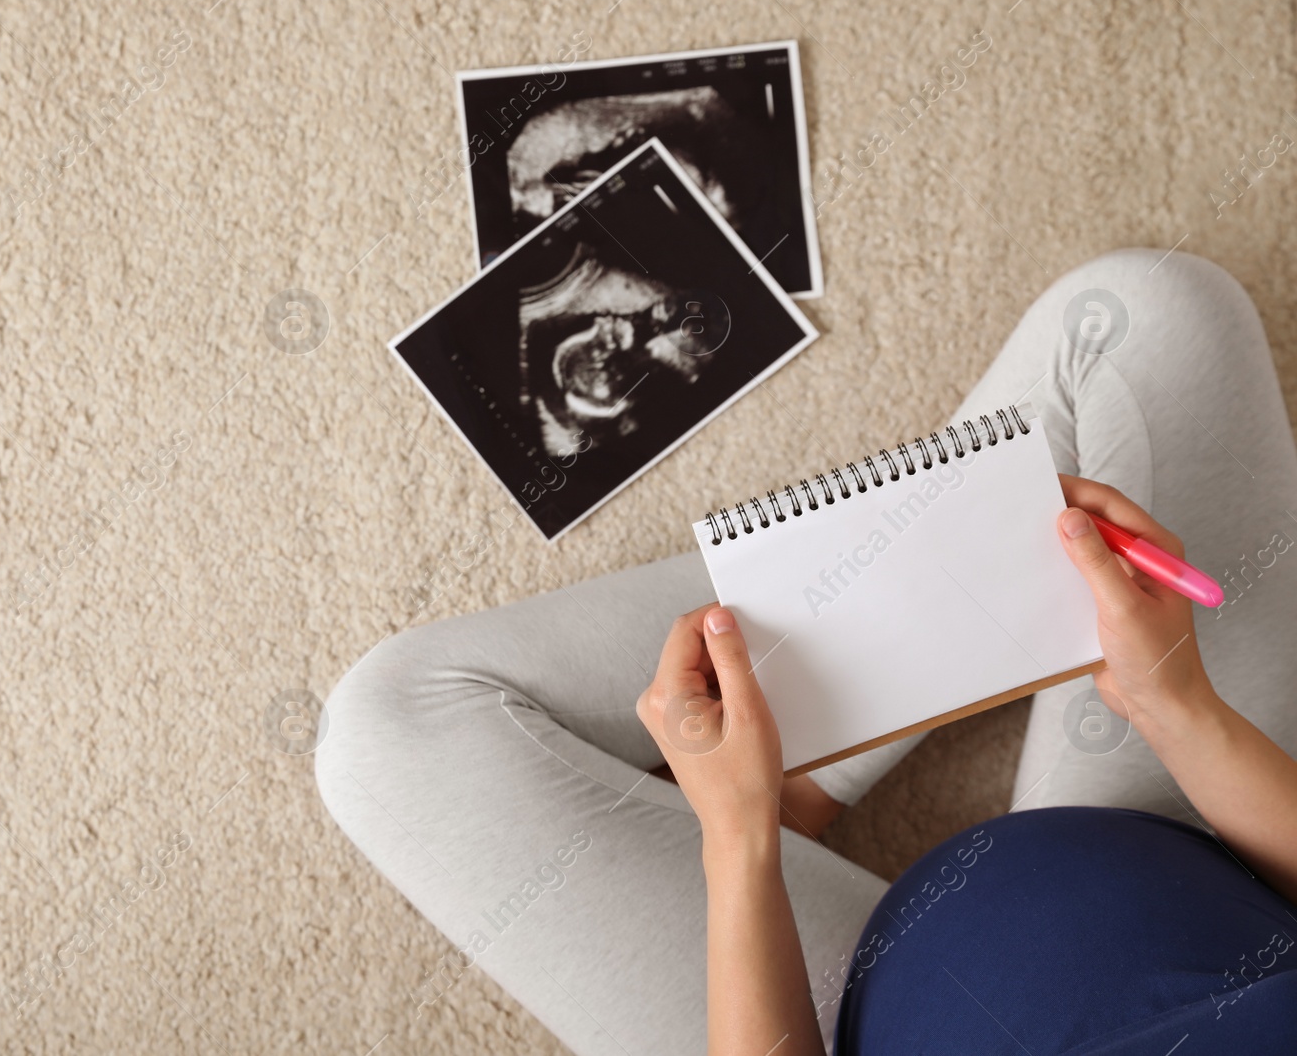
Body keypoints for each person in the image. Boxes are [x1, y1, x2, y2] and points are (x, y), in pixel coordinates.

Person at [315, 249, 1297, 1053]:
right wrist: (1178, 705)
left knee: (395, 727)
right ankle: (818, 765)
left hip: (824, 1016)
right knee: (1148, 312)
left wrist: (737, 844)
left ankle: (780, 787)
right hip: (1205, 857)